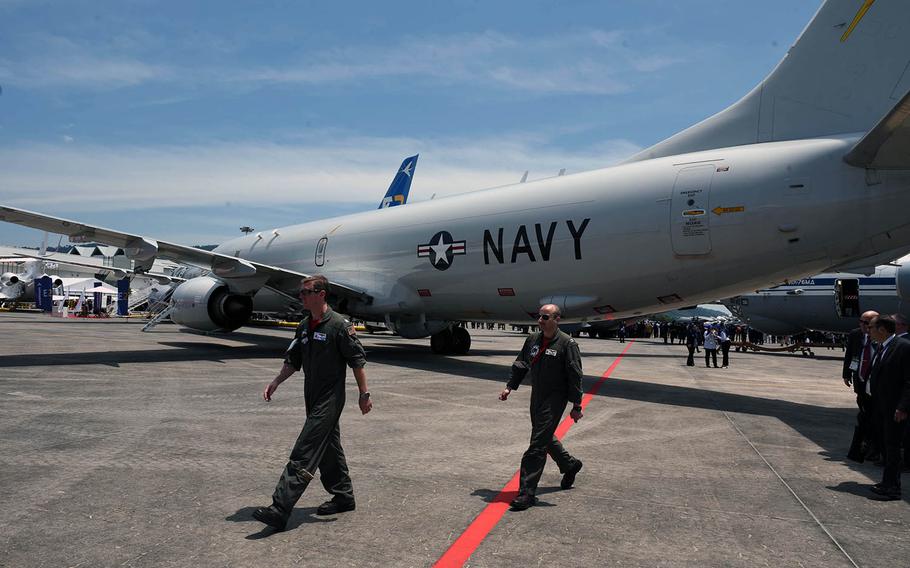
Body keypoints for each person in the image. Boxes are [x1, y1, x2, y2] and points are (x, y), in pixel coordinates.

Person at [253, 275, 373, 531]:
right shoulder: (304, 326)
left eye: (306, 292)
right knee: (329, 448)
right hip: (312, 395)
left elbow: (357, 361)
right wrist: (276, 382)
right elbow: (293, 361)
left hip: (330, 398)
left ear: (321, 294)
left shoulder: (339, 325)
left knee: (306, 449)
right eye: (301, 292)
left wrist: (364, 395)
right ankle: (344, 496)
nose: (301, 296)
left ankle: (280, 507)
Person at [499, 304, 584, 511]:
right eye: (540, 317)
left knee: (536, 444)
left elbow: (575, 375)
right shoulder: (532, 340)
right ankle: (569, 464)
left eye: (545, 317)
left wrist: (576, 404)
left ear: (557, 319)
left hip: (556, 397)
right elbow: (521, 363)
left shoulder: (567, 344)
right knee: (542, 435)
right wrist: (510, 387)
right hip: (537, 394)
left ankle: (526, 493)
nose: (541, 321)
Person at [865, 315, 910, 500]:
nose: (869, 330)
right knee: (885, 446)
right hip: (882, 407)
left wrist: (903, 407)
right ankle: (888, 482)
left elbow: (909, 381)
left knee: (892, 448)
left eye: (871, 327)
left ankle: (893, 488)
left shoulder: (903, 347)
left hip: (895, 409)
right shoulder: (883, 347)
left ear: (882, 329)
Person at [843, 310, 879, 462]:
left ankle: (872, 446)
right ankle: (866, 445)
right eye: (861, 322)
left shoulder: (881, 338)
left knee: (873, 417)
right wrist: (846, 374)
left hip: (877, 384)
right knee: (864, 413)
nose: (863, 325)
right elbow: (850, 354)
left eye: (866, 323)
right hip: (860, 380)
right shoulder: (855, 334)